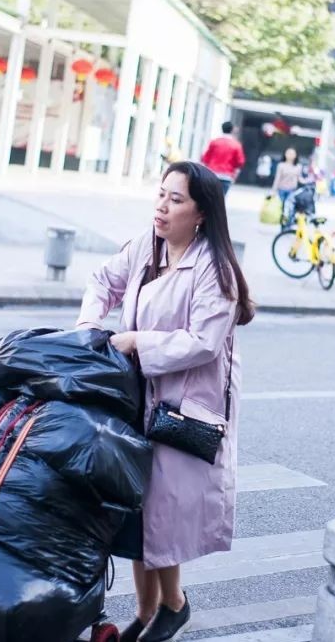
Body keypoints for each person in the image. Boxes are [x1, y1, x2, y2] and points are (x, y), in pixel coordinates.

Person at [76, 161, 256, 642]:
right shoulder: (145, 247)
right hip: (136, 394)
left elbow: (202, 341)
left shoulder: (214, 271)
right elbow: (102, 282)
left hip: (182, 402)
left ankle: (172, 606)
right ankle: (147, 609)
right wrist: (90, 326)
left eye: (176, 200)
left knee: (159, 513)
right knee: (137, 509)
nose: (162, 206)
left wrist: (138, 341)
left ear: (201, 213)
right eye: (160, 195)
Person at [200, 122, 245, 195]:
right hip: (226, 176)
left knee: (209, 197)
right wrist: (235, 176)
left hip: (212, 174)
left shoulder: (214, 142)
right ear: (232, 130)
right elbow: (240, 162)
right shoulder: (236, 145)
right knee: (221, 199)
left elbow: (205, 158)